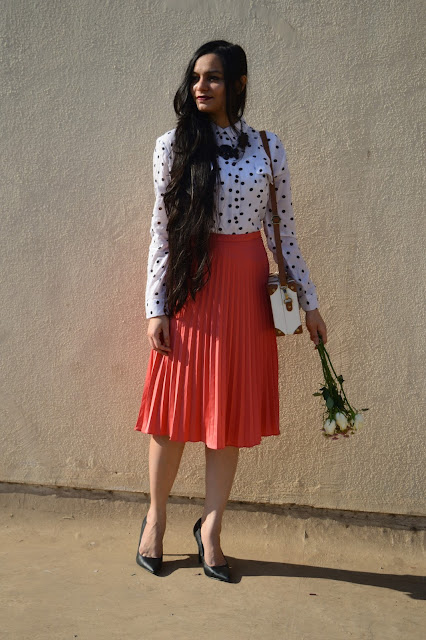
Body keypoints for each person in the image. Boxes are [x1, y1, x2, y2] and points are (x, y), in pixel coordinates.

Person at [133, 40, 327, 583]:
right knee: (173, 414)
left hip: (245, 290)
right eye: (196, 77)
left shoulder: (268, 147)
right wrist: (155, 308)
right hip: (191, 286)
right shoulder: (172, 145)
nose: (201, 86)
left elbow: (284, 235)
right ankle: (156, 519)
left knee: (227, 416)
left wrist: (310, 303)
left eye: (214, 77)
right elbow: (161, 233)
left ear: (238, 84)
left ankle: (212, 528)